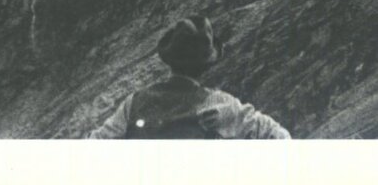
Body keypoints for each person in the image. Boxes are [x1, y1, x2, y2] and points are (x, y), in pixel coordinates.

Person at [86, 15, 291, 138]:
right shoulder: (222, 105)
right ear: (205, 65)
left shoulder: (134, 103)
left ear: (169, 59)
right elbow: (279, 137)